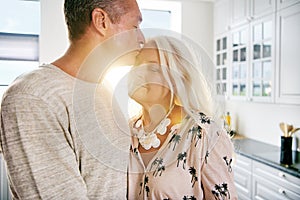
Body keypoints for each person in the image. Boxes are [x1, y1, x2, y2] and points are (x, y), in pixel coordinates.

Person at [0, 0, 144, 199]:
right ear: (101, 20)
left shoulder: (103, 92)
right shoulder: (34, 96)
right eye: (135, 26)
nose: (142, 38)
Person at [127, 36, 237, 199]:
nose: (139, 73)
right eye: (137, 64)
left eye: (154, 68)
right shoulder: (123, 131)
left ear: (177, 80)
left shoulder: (204, 133)